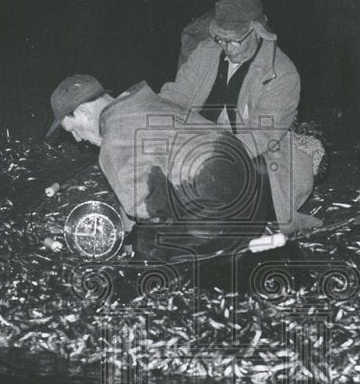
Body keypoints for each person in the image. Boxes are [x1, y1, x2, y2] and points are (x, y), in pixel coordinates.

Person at [46, 74, 273, 257]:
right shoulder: (143, 101)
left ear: (84, 113)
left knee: (146, 249)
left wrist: (132, 246)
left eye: (73, 129)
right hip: (255, 196)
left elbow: (152, 212)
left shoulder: (114, 142)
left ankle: (242, 262)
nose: (77, 139)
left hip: (226, 221)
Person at [159, 0, 321, 235]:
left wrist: (208, 158)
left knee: (250, 183)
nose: (228, 48)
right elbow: (178, 94)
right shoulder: (206, 52)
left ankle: (276, 218)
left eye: (235, 39)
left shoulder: (282, 73)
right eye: (221, 39)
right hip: (199, 141)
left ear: (257, 31)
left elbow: (262, 135)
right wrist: (158, 115)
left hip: (254, 152)